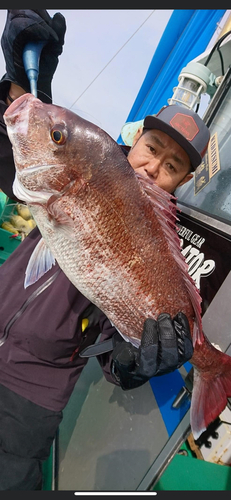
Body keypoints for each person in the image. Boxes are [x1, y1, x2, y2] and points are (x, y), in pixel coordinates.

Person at [0, 10, 209, 491]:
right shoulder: (82, 173)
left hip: (30, 397)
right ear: (135, 141)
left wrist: (137, 362)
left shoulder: (161, 245)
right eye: (153, 147)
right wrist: (19, 81)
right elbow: (29, 158)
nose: (155, 167)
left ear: (183, 181)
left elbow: (114, 358)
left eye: (173, 166)